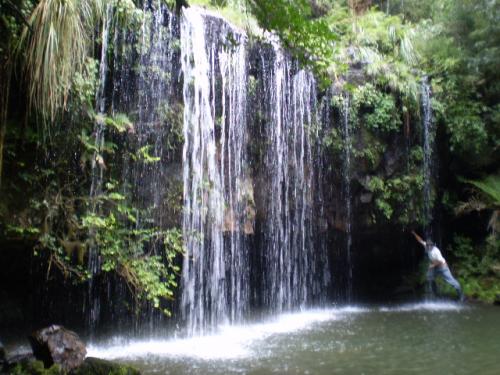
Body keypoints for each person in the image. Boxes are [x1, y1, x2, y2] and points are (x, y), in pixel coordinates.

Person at [411, 231, 464, 302]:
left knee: (452, 281)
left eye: (430, 246)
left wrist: (432, 265)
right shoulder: (426, 246)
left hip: (443, 267)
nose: (429, 247)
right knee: (429, 277)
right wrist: (414, 233)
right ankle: (436, 294)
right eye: (427, 245)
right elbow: (420, 240)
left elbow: (440, 261)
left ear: (432, 245)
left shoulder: (436, 251)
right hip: (436, 267)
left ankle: (461, 296)